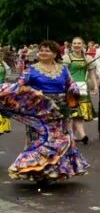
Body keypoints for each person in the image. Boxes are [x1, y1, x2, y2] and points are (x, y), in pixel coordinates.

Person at [0, 39, 89, 183]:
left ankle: (55, 171)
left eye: (47, 50)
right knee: (42, 140)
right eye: (41, 50)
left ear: (55, 54)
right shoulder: (31, 70)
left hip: (60, 110)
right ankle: (37, 172)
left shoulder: (63, 69)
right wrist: (33, 91)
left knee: (61, 140)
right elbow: (19, 86)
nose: (43, 52)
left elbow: (71, 84)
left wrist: (73, 91)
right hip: (39, 112)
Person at [64, 36, 96, 144]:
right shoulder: (67, 57)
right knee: (75, 112)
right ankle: (82, 135)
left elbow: (92, 73)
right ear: (71, 45)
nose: (77, 45)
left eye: (79, 43)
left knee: (79, 113)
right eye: (74, 43)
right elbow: (65, 73)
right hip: (72, 87)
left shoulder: (87, 58)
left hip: (83, 87)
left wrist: (95, 85)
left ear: (83, 45)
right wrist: (71, 82)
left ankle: (71, 136)